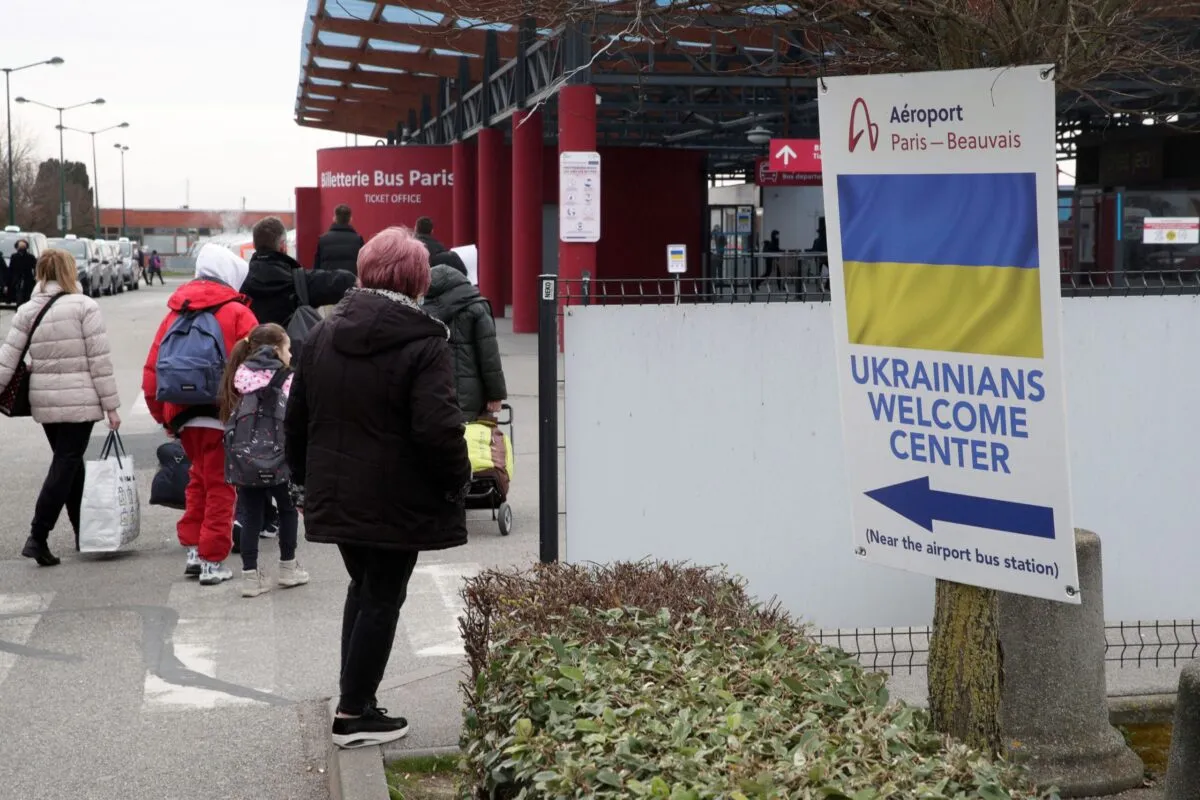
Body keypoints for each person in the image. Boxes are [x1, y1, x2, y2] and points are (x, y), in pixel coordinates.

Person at [285, 226, 471, 749]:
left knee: (364, 589)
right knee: (382, 597)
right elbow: (438, 428)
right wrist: (458, 478)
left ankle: (355, 699)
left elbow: (296, 418)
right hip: (398, 497)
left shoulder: (323, 333)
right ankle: (353, 714)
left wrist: (303, 484)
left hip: (338, 491)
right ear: (416, 280)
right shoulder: (424, 341)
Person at [143, 244, 258, 585]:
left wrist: (164, 417)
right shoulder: (238, 313)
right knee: (222, 487)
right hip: (225, 414)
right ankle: (212, 560)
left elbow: (152, 371)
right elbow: (258, 371)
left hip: (183, 415)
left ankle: (194, 550)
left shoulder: (175, 313)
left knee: (198, 481)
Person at [0, 248, 121, 566]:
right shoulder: (85, 307)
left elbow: (7, 359)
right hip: (80, 402)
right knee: (66, 463)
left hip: (44, 402)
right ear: (70, 271)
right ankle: (37, 535)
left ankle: (84, 533)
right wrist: (111, 407)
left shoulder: (27, 310)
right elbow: (99, 362)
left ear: (40, 272)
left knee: (70, 464)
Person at [218, 323, 307, 598]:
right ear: (277, 350)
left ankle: (250, 576)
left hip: (247, 459)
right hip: (280, 456)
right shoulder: (288, 378)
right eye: (288, 349)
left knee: (251, 515)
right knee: (288, 510)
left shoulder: (240, 375)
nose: (290, 355)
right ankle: (288, 567)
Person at [421, 263, 507, 421]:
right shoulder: (477, 307)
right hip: (470, 394)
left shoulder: (422, 312)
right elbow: (489, 356)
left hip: (433, 392)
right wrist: (496, 395)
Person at [240, 216, 355, 328]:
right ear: (283, 246)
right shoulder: (299, 281)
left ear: (254, 245)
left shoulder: (241, 282)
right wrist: (356, 280)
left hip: (253, 340)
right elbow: (340, 282)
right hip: (292, 340)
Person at [313, 204, 365, 276]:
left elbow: (316, 268)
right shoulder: (358, 240)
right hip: (352, 281)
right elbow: (363, 266)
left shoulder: (323, 240)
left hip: (328, 282)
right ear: (350, 219)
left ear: (334, 218)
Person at [10, 239, 37, 303]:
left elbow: (35, 267)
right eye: (20, 247)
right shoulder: (14, 256)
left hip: (28, 279)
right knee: (19, 297)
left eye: (23, 247)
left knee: (27, 296)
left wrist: (35, 277)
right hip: (17, 280)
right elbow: (11, 269)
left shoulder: (30, 257)